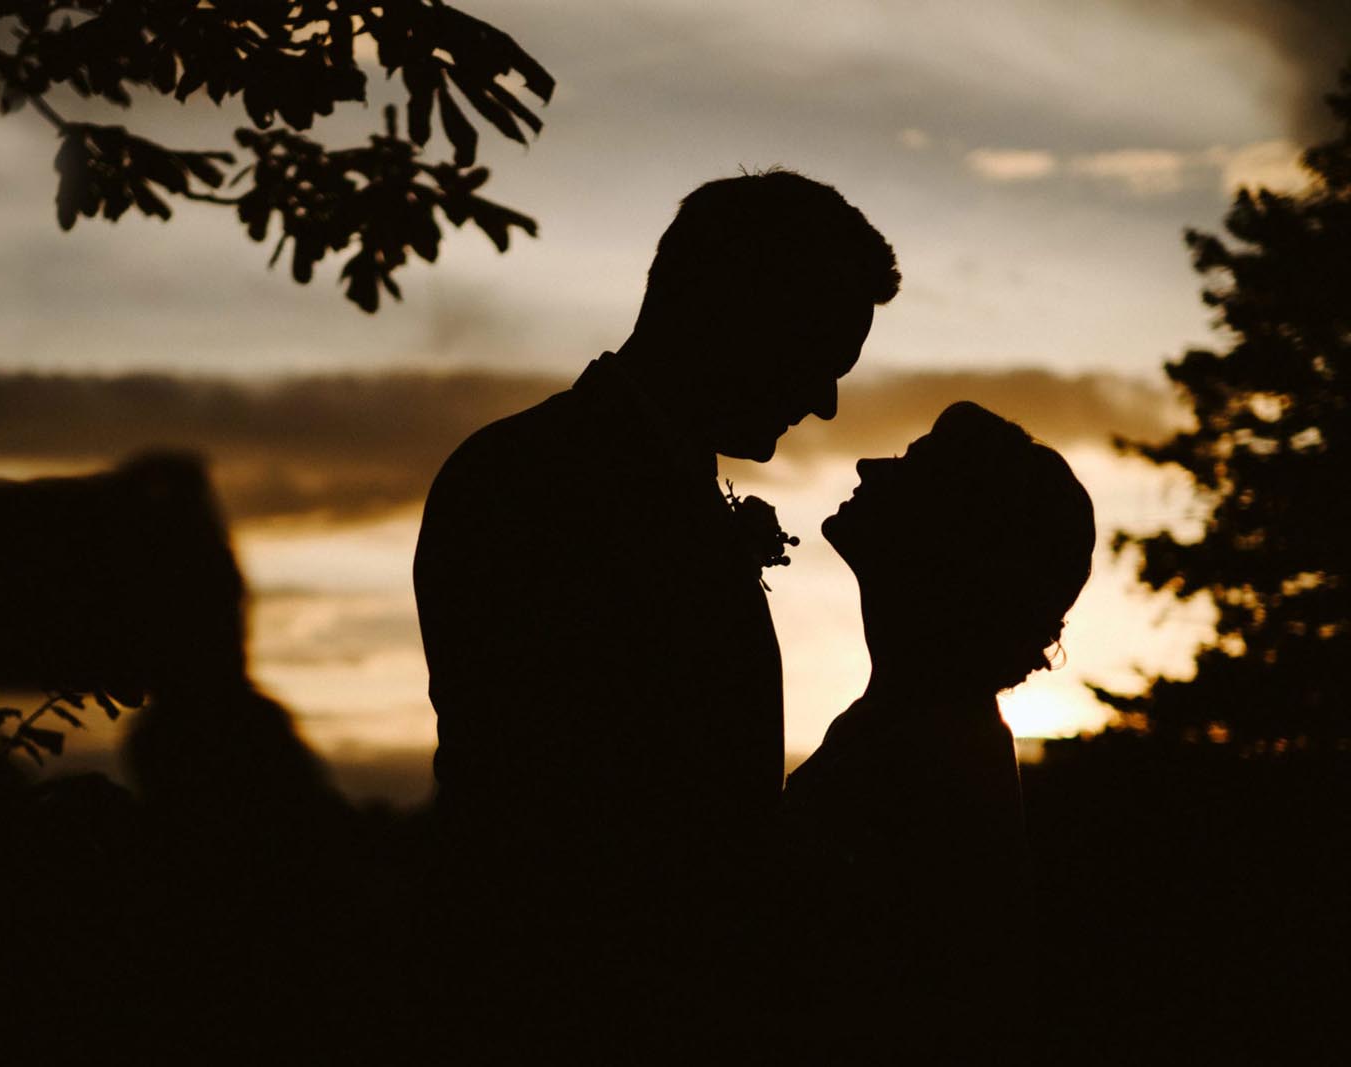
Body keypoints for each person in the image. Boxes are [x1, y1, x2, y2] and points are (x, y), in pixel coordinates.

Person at [411, 169, 898, 1057]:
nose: (826, 400)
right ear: (735, 307)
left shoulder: (627, 473)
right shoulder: (529, 482)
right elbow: (566, 811)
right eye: (819, 353)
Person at [780, 401, 1096, 1064]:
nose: (868, 464)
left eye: (907, 467)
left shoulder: (931, 753)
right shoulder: (922, 722)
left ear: (948, 539)